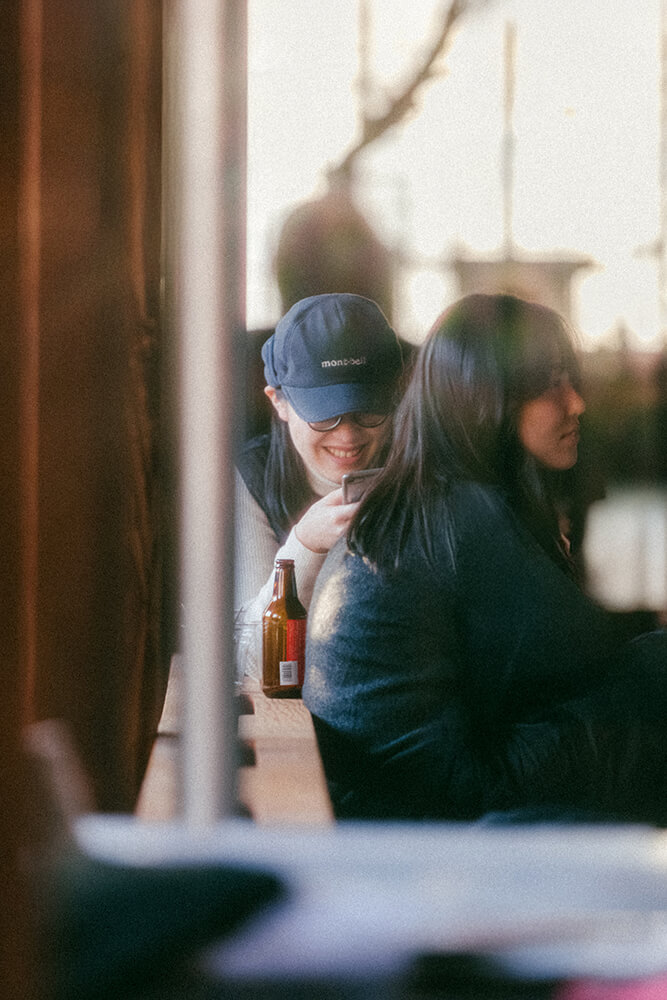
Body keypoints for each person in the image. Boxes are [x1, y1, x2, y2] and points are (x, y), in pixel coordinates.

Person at [303, 292, 667, 825]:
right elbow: (587, 655)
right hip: (432, 810)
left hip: (386, 800)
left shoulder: (426, 496)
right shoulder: (465, 514)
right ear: (484, 398)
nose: (576, 403)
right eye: (550, 384)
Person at [234, 292, 404, 679]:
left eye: (367, 411)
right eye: (324, 415)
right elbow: (254, 660)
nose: (348, 436)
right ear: (278, 402)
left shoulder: (422, 470)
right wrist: (304, 546)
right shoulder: (249, 478)